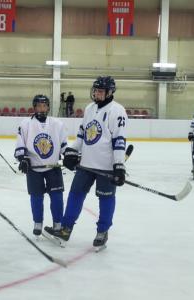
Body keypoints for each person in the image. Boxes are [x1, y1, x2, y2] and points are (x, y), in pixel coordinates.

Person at [44, 76, 127, 251]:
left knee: (105, 199)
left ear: (110, 92)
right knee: (75, 194)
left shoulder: (117, 111)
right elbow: (82, 135)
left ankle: (102, 231)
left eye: (101, 91)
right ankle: (66, 229)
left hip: (106, 166)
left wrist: (119, 165)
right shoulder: (90, 108)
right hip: (86, 164)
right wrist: (72, 151)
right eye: (95, 90)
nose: (96, 93)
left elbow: (119, 140)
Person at [14, 95, 67, 237]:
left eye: (44, 105)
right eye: (39, 106)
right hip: (34, 168)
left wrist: (69, 156)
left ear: (48, 107)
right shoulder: (25, 124)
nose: (41, 108)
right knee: (36, 197)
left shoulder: (57, 124)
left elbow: (63, 145)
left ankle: (58, 224)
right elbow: (20, 143)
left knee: (57, 196)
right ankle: (38, 222)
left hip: (53, 167)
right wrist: (23, 158)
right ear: (34, 107)